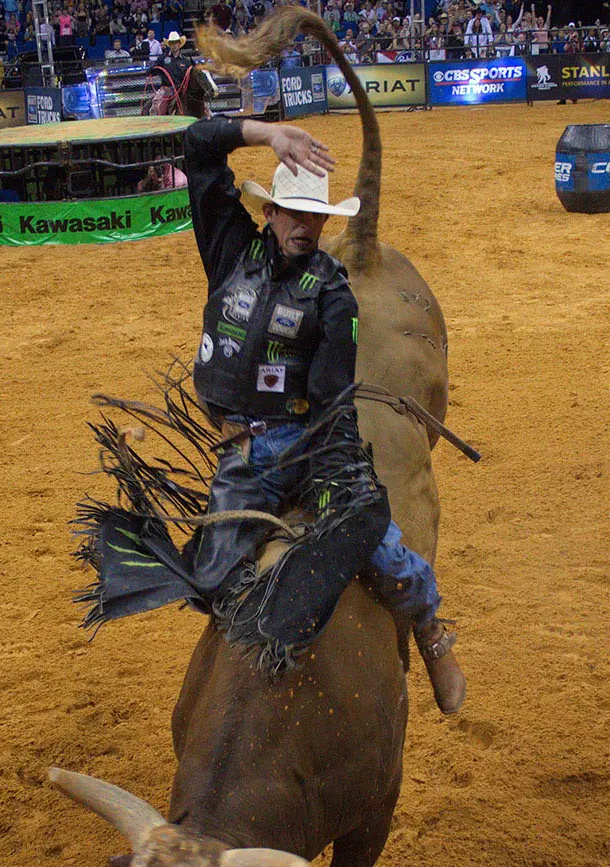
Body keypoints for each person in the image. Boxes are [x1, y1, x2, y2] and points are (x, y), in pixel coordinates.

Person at [180, 114, 467, 712]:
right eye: (296, 215)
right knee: (207, 578)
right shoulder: (230, 248)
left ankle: (431, 631)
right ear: (270, 215)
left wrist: (338, 475)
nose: (307, 228)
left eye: (317, 218)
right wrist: (267, 136)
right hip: (242, 449)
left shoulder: (333, 292)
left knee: (381, 547)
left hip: (309, 441)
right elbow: (197, 147)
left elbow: (334, 395)